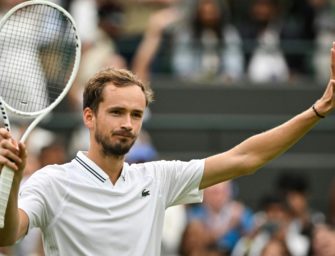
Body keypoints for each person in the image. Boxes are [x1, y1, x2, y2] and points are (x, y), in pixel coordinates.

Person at [0, 42, 335, 255]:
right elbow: (7, 235)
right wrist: (11, 181)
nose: (128, 124)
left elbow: (246, 158)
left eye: (136, 114)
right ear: (89, 116)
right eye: (117, 112)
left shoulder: (156, 178)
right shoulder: (52, 181)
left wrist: (318, 109)